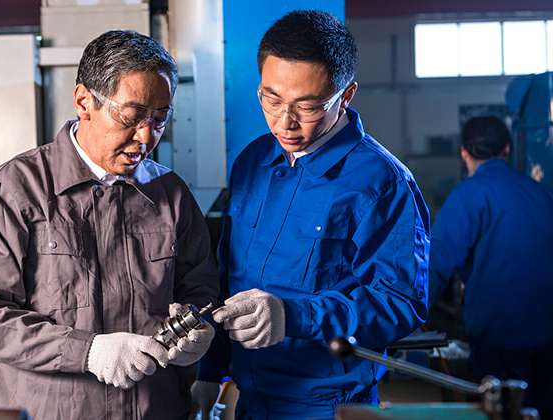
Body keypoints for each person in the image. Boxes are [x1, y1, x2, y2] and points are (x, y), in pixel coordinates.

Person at [0, 30, 219, 420]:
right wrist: (88, 351)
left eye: (159, 119)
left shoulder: (171, 194)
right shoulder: (16, 188)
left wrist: (196, 333)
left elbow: (200, 291)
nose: (146, 136)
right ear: (84, 102)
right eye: (131, 116)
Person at [193, 10, 430, 420]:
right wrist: (209, 372)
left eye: (307, 106)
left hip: (328, 406)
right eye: (271, 99)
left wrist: (294, 316)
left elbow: (401, 301)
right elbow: (228, 277)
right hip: (251, 399)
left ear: (346, 95)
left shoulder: (381, 182)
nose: (285, 122)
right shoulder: (252, 161)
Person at [429, 116, 553, 418]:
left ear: (464, 152)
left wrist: (410, 316)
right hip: (547, 334)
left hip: (499, 336)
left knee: (500, 411)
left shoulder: (468, 195)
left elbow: (435, 264)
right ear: (507, 149)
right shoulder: (541, 193)